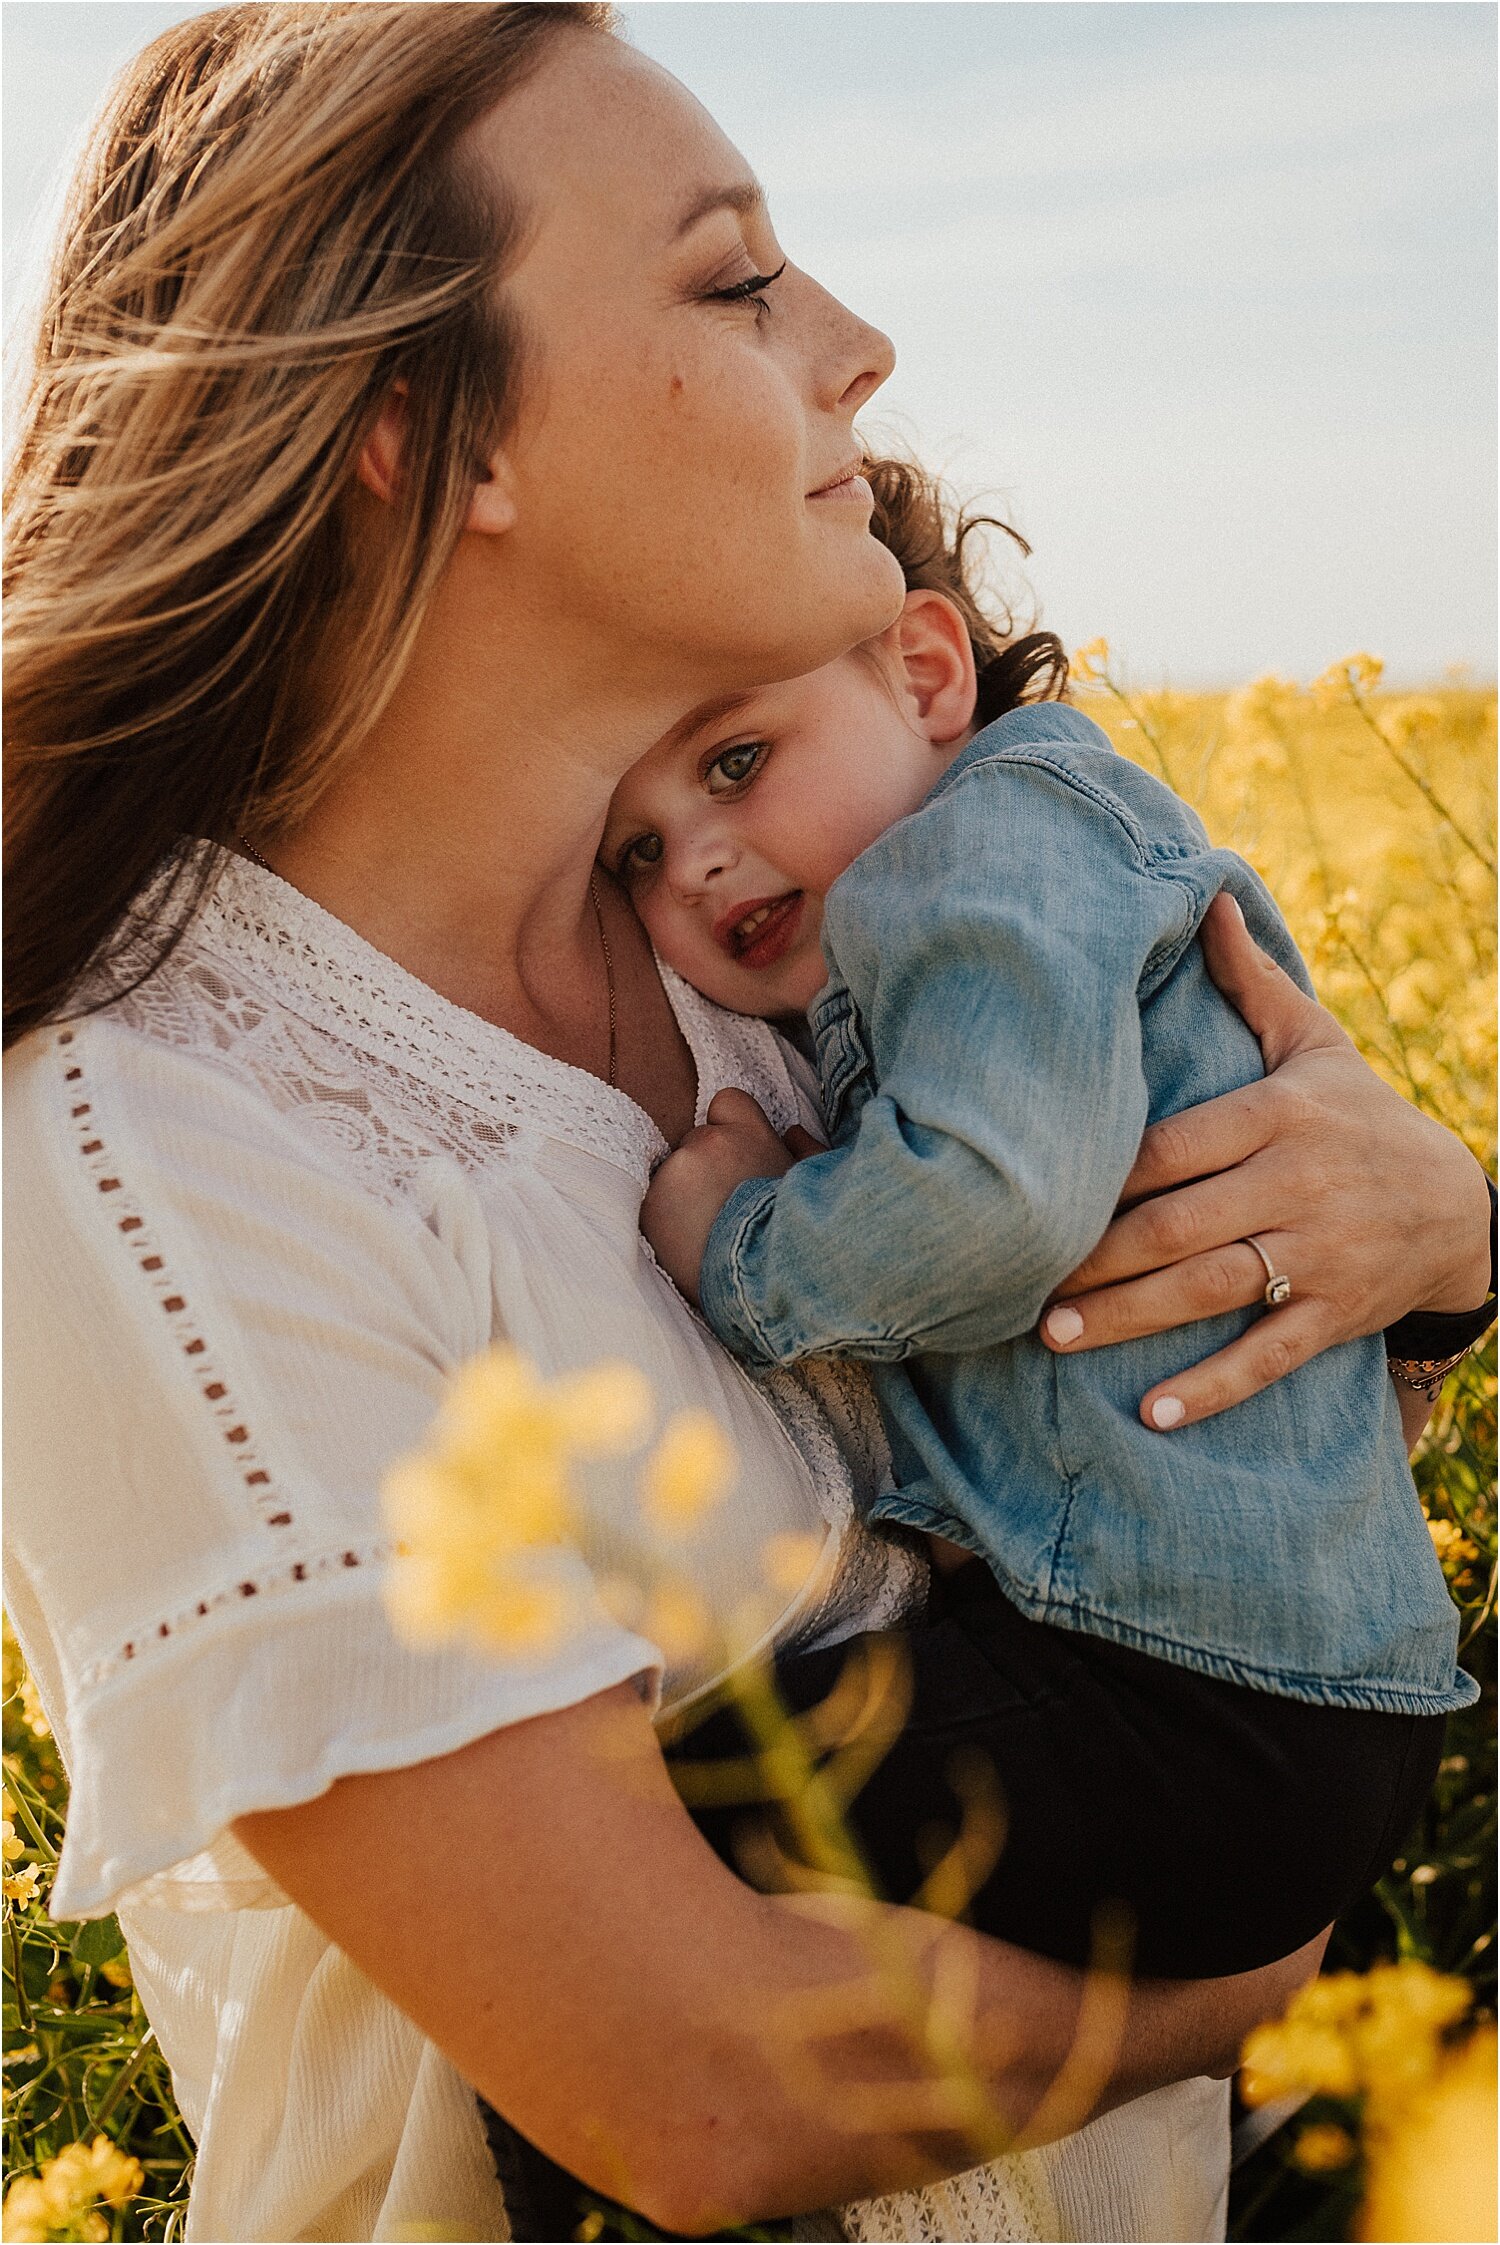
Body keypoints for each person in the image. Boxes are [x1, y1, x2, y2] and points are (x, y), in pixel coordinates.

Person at [5, 9, 1493, 2241]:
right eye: (733, 281)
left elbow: (1178, 1414)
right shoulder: (136, 1124)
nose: (862, 349)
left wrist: (1436, 1238)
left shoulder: (804, 924)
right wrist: (1265, 1945)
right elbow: (690, 2087)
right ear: (432, 434)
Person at [611, 452, 1483, 1988]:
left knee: (634, 1862)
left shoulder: (975, 854)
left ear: (927, 669)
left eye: (734, 762)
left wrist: (740, 1238)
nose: (695, 859)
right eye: (638, 852)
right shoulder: (1002, 888)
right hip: (1272, 1694)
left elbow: (993, 1202)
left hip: (1188, 1696)